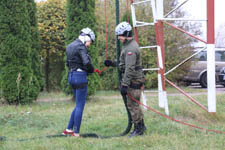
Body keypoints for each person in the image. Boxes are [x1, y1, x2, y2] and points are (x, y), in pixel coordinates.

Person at [104, 22, 146, 138]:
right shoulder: (128, 46)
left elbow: (130, 68)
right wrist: (113, 63)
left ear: (126, 34)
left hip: (134, 81)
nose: (118, 38)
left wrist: (125, 84)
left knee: (133, 105)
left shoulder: (130, 48)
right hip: (134, 79)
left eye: (120, 35)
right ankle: (141, 126)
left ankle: (138, 130)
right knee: (135, 104)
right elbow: (125, 64)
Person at [62, 27, 96, 137]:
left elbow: (67, 63)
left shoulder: (70, 46)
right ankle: (76, 133)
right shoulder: (81, 47)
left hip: (71, 76)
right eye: (90, 41)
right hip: (80, 77)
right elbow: (86, 62)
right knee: (80, 105)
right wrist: (91, 70)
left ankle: (68, 129)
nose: (89, 44)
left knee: (77, 105)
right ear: (86, 37)